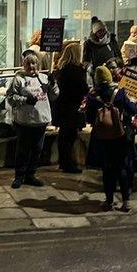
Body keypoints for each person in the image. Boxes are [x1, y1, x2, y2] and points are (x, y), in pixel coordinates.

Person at [85, 66, 137, 211]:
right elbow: (132, 109)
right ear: (109, 77)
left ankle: (109, 201)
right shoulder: (119, 92)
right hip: (120, 136)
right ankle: (126, 201)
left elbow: (89, 118)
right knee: (121, 167)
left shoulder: (92, 95)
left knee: (107, 169)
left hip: (102, 137)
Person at [7, 53, 59, 188]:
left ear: (38, 65)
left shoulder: (44, 78)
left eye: (34, 63)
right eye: (28, 63)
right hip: (24, 122)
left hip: (41, 120)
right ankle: (19, 175)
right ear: (24, 65)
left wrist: (53, 84)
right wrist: (25, 100)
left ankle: (31, 174)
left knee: (37, 149)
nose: (31, 66)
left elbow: (54, 96)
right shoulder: (19, 79)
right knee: (23, 149)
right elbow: (10, 97)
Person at [53, 42, 88, 174]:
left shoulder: (62, 69)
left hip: (62, 106)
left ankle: (64, 162)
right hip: (71, 108)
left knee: (64, 135)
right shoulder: (75, 70)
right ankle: (68, 163)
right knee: (70, 136)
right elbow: (81, 88)